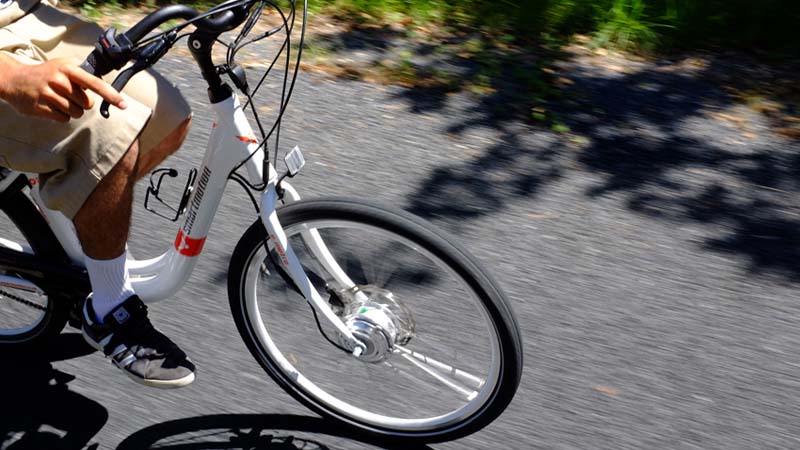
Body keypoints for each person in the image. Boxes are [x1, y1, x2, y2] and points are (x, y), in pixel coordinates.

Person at [0, 0, 196, 388]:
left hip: (25, 16)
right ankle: (109, 310)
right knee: (110, 139)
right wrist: (11, 79)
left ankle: (59, 180)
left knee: (168, 112)